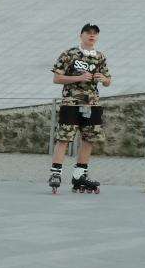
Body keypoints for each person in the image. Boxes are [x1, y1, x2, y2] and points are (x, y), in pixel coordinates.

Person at [47, 24, 111, 194]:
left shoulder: (100, 56)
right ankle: (56, 173)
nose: (92, 36)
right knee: (64, 138)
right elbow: (57, 78)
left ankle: (79, 175)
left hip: (92, 103)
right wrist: (78, 77)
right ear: (81, 35)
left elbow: (108, 81)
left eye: (95, 34)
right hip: (71, 102)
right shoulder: (69, 54)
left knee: (89, 139)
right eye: (88, 33)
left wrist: (103, 78)